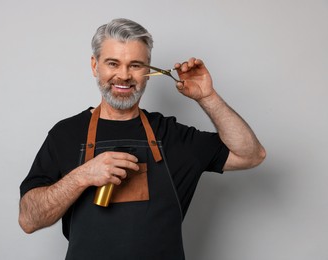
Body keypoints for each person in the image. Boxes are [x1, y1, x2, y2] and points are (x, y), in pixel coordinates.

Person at [19, 18, 266, 259]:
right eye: (113, 64)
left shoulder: (172, 135)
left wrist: (207, 96)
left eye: (135, 65)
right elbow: (29, 220)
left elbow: (251, 155)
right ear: (95, 66)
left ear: (148, 71)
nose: (124, 75)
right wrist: (83, 176)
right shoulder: (66, 134)